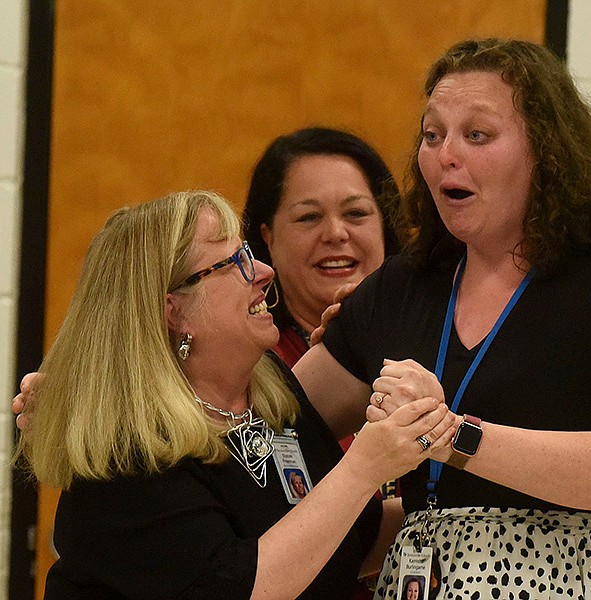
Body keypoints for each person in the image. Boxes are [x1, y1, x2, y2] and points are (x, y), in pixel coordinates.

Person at [292, 39, 591, 597]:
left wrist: (451, 436)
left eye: (476, 135)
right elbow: (275, 426)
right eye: (432, 136)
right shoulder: (402, 285)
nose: (445, 155)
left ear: (546, 152)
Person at [13, 190, 456, 599]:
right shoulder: (128, 453)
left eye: (249, 253)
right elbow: (241, 587)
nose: (263, 271)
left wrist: (468, 510)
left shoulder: (269, 398)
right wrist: (366, 466)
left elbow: (351, 534)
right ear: (173, 310)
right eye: (235, 263)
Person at [243, 126, 401, 367]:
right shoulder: (250, 371)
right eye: (309, 217)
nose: (335, 234)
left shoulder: (433, 336)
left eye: (355, 213)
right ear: (268, 239)